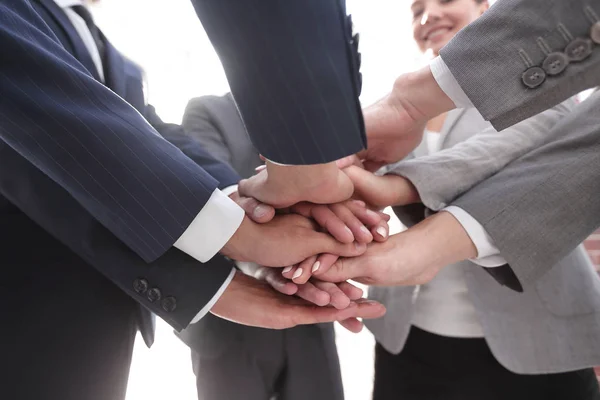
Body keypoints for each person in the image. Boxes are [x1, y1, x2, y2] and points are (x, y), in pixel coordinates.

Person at [0, 0, 387, 399]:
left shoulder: (91, 35)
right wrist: (231, 244)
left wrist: (247, 205)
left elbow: (148, 132)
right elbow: (34, 146)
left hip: (107, 315)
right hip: (23, 311)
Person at [328, 1, 600, 398]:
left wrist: (400, 183)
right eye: (417, 10)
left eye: (444, 0)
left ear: (487, 8)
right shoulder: (389, 107)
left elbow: (529, 135)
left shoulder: (535, 83)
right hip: (408, 337)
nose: (428, 16)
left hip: (535, 338)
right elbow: (362, 185)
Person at [179, 93, 345, 400]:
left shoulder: (319, 117)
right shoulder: (208, 110)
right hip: (231, 325)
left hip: (310, 312)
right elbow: (204, 193)